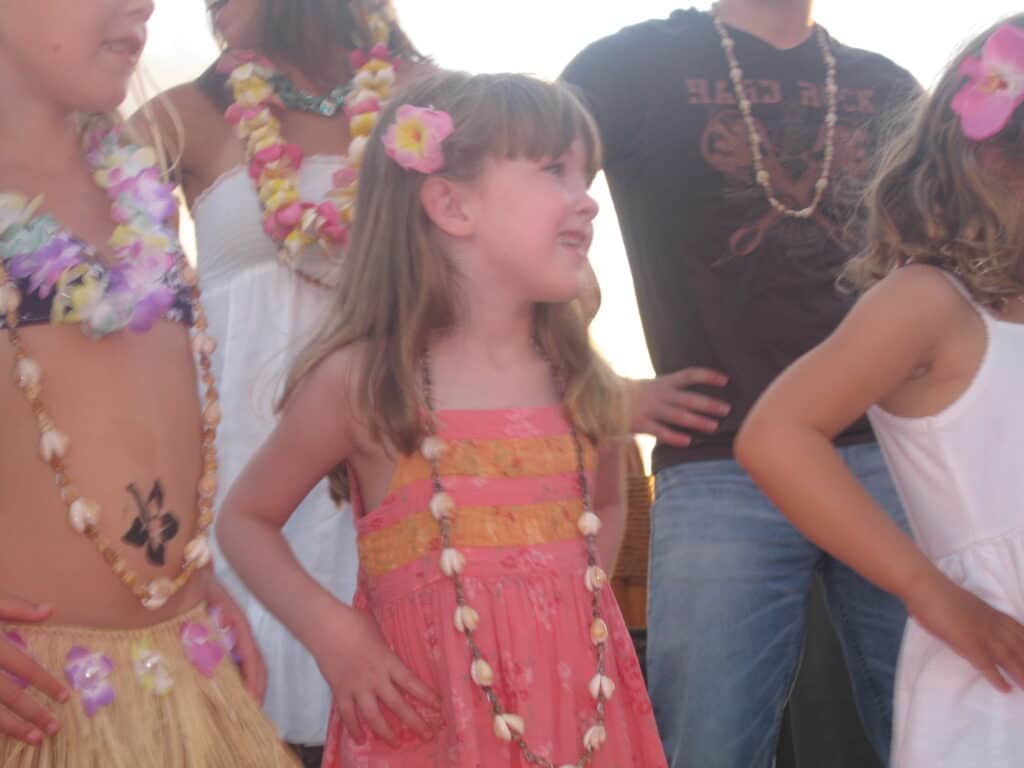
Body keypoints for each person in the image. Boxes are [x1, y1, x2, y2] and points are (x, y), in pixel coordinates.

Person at [217, 70, 669, 768]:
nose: (589, 202)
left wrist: (570, 617)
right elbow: (244, 520)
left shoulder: (579, 380)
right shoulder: (365, 383)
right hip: (430, 720)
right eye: (556, 171)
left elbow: (607, 503)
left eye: (589, 175)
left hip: (580, 718)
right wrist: (335, 636)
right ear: (451, 205)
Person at [562, 1, 920, 766]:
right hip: (720, 459)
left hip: (892, 453)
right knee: (707, 746)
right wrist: (600, 389)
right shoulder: (626, 69)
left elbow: (966, 252)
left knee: (946, 735)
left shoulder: (887, 86)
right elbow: (509, 204)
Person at [0, 1, 296, 765]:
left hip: (188, 687)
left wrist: (193, 578)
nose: (144, 3)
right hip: (36, 705)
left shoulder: (140, 189)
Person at [136, 2, 421, 762]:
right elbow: (86, 271)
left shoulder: (435, 98)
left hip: (401, 457)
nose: (212, 9)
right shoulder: (184, 115)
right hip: (240, 471)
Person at [736, 16, 1024, 767]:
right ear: (996, 157)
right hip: (997, 662)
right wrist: (931, 594)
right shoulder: (931, 303)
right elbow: (776, 436)